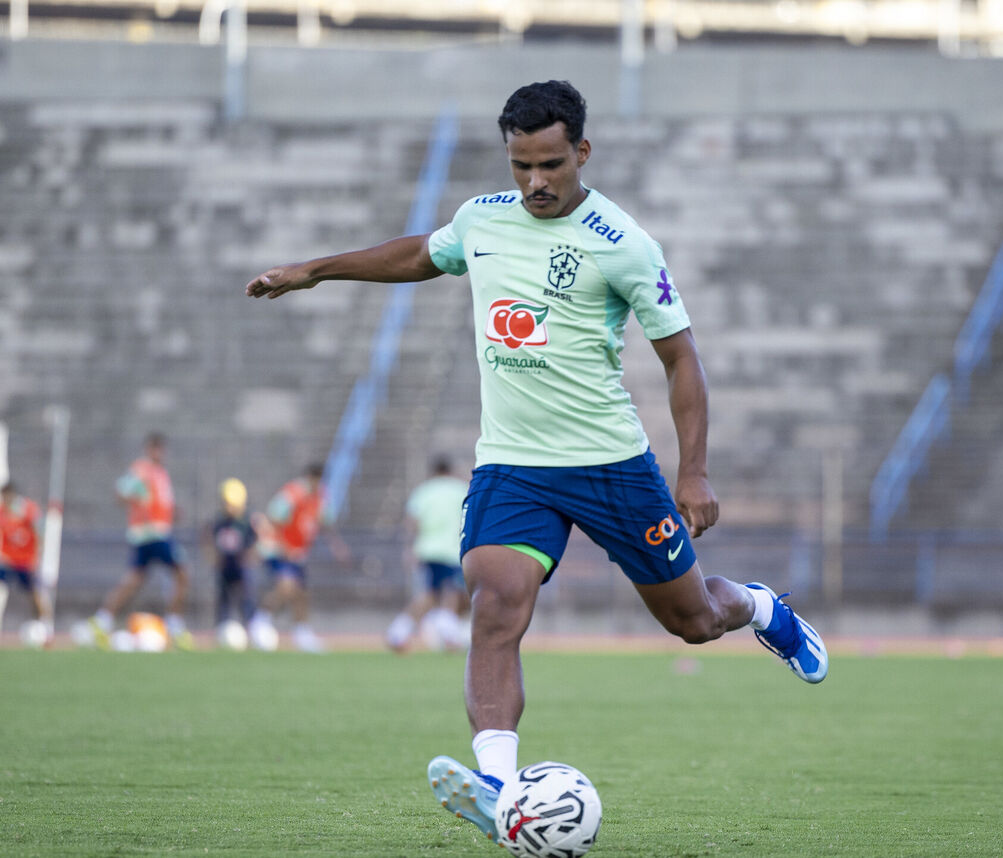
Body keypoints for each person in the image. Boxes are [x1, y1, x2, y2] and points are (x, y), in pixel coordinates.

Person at [246, 79, 827, 842]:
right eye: (521, 165)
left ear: (581, 152)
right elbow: (421, 255)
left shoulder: (624, 244)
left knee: (692, 620)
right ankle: (498, 786)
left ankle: (758, 607)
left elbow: (683, 361)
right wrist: (314, 270)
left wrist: (694, 470)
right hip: (513, 464)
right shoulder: (482, 220)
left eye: (551, 164)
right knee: (494, 603)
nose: (535, 182)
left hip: (610, 464)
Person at [88, 432, 193, 650]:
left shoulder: (160, 473)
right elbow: (120, 492)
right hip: (152, 534)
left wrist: (172, 511)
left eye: (161, 448)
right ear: (148, 449)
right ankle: (174, 625)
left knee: (134, 580)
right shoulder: (142, 469)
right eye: (154, 448)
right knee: (182, 573)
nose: (158, 452)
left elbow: (159, 502)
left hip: (155, 532)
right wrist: (137, 501)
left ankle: (102, 619)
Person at [248, 463, 349, 653]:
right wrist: (284, 546)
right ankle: (260, 622)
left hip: (298, 552)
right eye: (315, 480)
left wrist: (337, 546)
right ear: (309, 477)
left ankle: (302, 633)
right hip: (278, 549)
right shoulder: (293, 494)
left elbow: (324, 523)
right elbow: (274, 519)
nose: (317, 484)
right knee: (287, 586)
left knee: (301, 595)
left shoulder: (319, 497)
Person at [385, 456, 470, 653]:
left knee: (435, 593)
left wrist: (410, 548)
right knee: (451, 592)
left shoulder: (423, 491)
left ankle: (402, 631)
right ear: (450, 470)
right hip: (452, 551)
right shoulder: (460, 489)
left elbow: (412, 522)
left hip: (428, 550)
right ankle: (446, 635)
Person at [203, 477, 258, 633]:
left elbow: (256, 541)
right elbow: (207, 538)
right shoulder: (219, 521)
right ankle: (222, 627)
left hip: (241, 567)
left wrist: (251, 556)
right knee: (223, 599)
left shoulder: (247, 522)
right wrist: (211, 556)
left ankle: (251, 626)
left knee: (246, 597)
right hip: (225, 566)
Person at [0, 481, 51, 635]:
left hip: (27, 561)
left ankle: (45, 626)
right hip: (8, 561)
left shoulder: (28, 509)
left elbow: (39, 532)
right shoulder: (2, 512)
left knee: (35, 593)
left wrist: (38, 556)